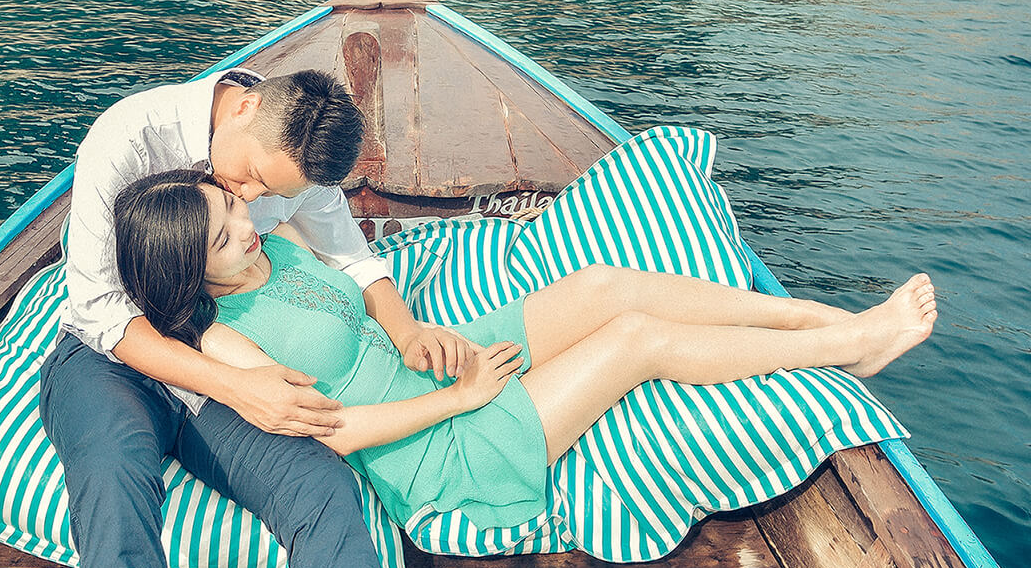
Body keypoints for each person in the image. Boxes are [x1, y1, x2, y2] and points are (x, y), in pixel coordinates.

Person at [113, 169, 939, 532]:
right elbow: (339, 434)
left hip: (438, 358)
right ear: (192, 274)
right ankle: (850, 346)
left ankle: (797, 314)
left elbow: (345, 248)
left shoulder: (274, 238)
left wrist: (419, 331)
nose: (242, 230)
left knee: (607, 285)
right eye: (224, 239)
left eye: (229, 205)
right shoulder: (223, 341)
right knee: (635, 340)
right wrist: (460, 399)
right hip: (440, 445)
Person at [40, 67, 477, 568]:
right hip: (114, 360)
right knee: (112, 470)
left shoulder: (297, 154)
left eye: (270, 194)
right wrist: (238, 387)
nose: (247, 198)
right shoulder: (128, 136)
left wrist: (408, 329)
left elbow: (350, 255)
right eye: (250, 178)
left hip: (224, 348)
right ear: (245, 106)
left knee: (319, 483)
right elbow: (100, 311)